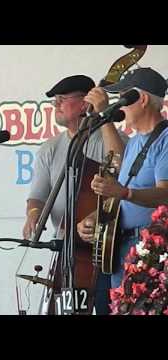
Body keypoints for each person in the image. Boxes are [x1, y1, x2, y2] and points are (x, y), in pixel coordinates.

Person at [22, 74, 127, 315]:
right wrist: (33, 214)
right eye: (54, 101)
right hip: (65, 249)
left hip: (106, 249)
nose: (55, 105)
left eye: (61, 99)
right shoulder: (49, 149)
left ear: (84, 103)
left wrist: (104, 117)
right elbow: (37, 196)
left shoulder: (111, 138)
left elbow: (123, 171)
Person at [77, 67, 168, 289]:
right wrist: (94, 218)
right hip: (124, 245)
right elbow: (123, 191)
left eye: (123, 98)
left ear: (143, 99)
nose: (120, 106)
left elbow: (165, 194)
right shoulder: (135, 141)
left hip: (152, 248)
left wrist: (124, 192)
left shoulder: (165, 139)